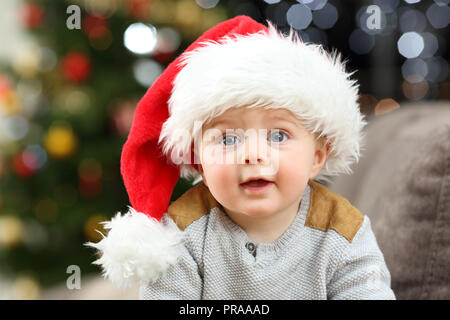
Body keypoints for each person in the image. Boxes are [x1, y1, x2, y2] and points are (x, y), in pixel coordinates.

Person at [86, 15, 396, 300]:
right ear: (199, 162)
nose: (253, 155)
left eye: (278, 135)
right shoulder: (182, 233)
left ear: (316, 156)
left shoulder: (343, 231)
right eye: (228, 139)